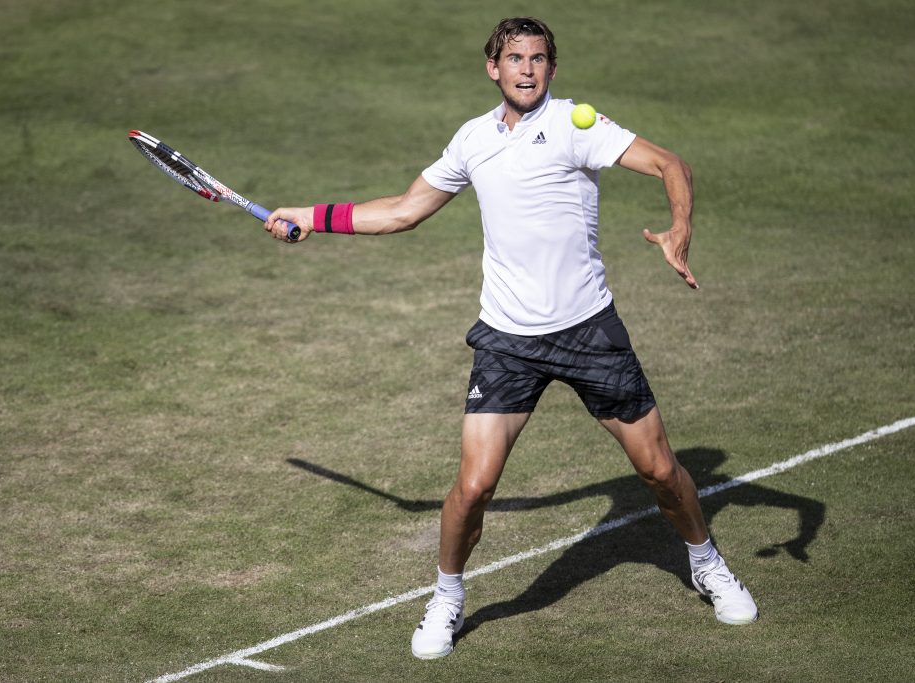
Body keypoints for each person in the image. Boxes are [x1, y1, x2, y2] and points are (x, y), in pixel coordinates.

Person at [265, 16, 758, 660]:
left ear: (552, 69)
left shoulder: (578, 125)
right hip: (506, 340)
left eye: (539, 59)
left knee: (660, 470)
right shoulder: (472, 140)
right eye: (515, 58)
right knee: (473, 488)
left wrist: (679, 227)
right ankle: (446, 595)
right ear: (492, 69)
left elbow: (670, 164)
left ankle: (705, 560)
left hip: (589, 332)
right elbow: (405, 210)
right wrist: (312, 217)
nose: (527, 69)